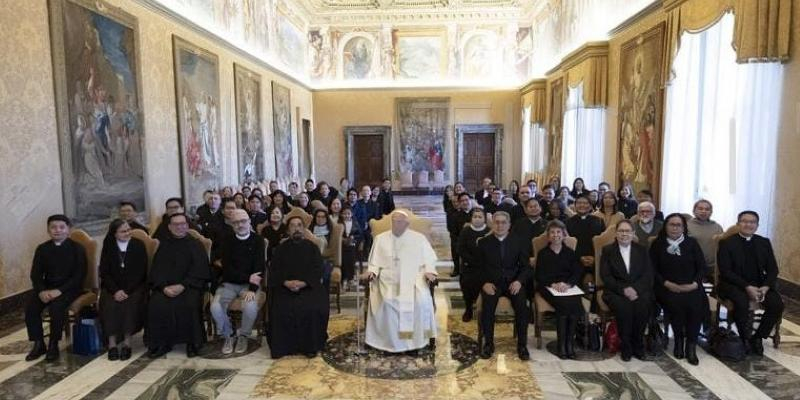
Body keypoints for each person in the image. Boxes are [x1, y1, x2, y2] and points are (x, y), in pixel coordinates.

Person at [363, 211, 438, 353]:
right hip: (387, 280)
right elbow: (374, 262)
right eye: (393, 221)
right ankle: (388, 343)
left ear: (407, 223)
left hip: (413, 279)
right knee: (386, 302)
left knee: (420, 301)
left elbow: (429, 259)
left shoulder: (419, 238)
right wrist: (372, 271)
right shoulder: (380, 239)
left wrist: (429, 271)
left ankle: (414, 343)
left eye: (399, 221)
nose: (395, 224)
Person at [717, 211, 783, 356]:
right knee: (741, 302)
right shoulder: (727, 243)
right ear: (738, 224)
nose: (748, 224)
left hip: (760, 284)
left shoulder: (764, 242)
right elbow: (726, 271)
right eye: (744, 221)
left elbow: (773, 269)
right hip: (733, 284)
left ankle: (758, 337)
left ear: (757, 225)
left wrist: (765, 287)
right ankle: (744, 338)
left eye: (752, 222)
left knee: (777, 304)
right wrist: (747, 287)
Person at [146, 213, 210, 359]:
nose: (180, 227)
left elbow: (200, 270)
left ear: (187, 226)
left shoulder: (195, 244)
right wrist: (163, 287)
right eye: (176, 224)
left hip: (190, 286)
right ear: (169, 227)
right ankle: (161, 343)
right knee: (157, 303)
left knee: (189, 303)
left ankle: (192, 343)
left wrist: (183, 285)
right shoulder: (164, 245)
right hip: (166, 287)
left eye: (183, 224)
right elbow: (157, 270)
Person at [25, 215, 87, 362]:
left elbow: (79, 276)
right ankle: (38, 343)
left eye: (61, 227)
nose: (57, 230)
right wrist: (41, 291)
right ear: (48, 230)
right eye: (53, 227)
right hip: (47, 288)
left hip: (70, 289)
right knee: (31, 308)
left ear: (68, 229)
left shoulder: (77, 249)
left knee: (56, 307)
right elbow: (36, 275)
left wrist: (59, 291)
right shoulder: (42, 249)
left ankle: (53, 344)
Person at [267, 216, 329, 358]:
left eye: (299, 225)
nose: (296, 228)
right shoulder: (280, 249)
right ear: (288, 230)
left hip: (308, 287)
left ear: (304, 229)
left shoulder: (312, 247)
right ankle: (284, 348)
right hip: (285, 287)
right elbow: (274, 270)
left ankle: (310, 346)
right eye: (293, 226)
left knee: (313, 308)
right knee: (281, 308)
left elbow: (318, 269)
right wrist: (286, 282)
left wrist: (303, 283)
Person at [650, 213, 706, 365]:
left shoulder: (692, 243)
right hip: (666, 286)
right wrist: (667, 283)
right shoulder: (658, 244)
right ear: (665, 226)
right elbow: (652, 270)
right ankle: (679, 340)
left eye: (678, 225)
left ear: (684, 227)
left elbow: (702, 267)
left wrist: (695, 283)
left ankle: (691, 345)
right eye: (671, 224)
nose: (675, 228)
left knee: (696, 305)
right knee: (676, 303)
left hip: (691, 286)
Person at [476, 211, 531, 360]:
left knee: (522, 306)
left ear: (509, 225)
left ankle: (522, 345)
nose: (500, 225)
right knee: (488, 306)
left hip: (513, 282)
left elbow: (526, 267)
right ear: (492, 224)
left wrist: (519, 281)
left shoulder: (518, 241)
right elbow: (477, 268)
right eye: (497, 222)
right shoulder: (483, 242)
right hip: (492, 283)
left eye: (503, 222)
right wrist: (484, 283)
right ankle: (488, 343)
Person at [210, 210, 265, 355]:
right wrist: (248, 277)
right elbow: (227, 269)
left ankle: (244, 336)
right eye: (236, 222)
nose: (240, 225)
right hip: (229, 284)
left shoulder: (258, 240)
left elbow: (259, 268)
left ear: (249, 222)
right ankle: (229, 335)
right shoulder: (227, 241)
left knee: (250, 306)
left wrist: (252, 289)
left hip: (250, 286)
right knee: (215, 306)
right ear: (232, 225)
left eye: (243, 221)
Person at [600, 220, 653, 362]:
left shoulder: (642, 250)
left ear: (633, 233)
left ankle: (638, 344)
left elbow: (648, 274)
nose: (624, 234)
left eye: (627, 231)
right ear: (616, 234)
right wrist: (624, 290)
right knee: (624, 308)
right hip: (615, 290)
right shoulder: (608, 250)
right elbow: (606, 276)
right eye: (621, 231)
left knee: (643, 305)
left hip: (638, 289)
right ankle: (626, 345)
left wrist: (635, 289)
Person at [99, 219, 148, 361]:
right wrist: (115, 291)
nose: (127, 233)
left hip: (134, 286)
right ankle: (112, 344)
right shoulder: (108, 246)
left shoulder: (138, 245)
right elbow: (104, 272)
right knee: (109, 305)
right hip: (112, 287)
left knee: (129, 305)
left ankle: (127, 343)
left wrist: (126, 290)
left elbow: (141, 271)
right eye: (123, 231)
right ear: (114, 234)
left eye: (128, 230)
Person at [535, 220, 584, 359]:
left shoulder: (570, 252)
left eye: (558, 232)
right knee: (564, 304)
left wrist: (568, 284)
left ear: (564, 234)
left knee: (574, 302)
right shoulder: (543, 253)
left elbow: (577, 272)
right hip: (548, 287)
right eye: (552, 232)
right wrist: (553, 284)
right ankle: (561, 345)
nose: (555, 235)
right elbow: (539, 275)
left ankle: (570, 344)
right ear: (548, 235)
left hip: (568, 287)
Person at [457, 208, 491, 322]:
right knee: (466, 282)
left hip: (485, 266)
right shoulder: (466, 231)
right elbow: (460, 249)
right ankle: (468, 308)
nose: (477, 219)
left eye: (480, 217)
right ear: (471, 218)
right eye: (475, 216)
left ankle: (485, 308)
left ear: (485, 219)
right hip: (469, 265)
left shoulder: (489, 231)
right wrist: (472, 261)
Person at [565, 196, 606, 282]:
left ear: (591, 206)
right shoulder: (568, 222)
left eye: (585, 203)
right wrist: (579, 257)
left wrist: (595, 257)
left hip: (595, 259)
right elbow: (567, 244)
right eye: (579, 203)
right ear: (575, 206)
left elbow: (603, 243)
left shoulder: (599, 221)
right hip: (575, 259)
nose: (582, 205)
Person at [686, 199, 723, 273]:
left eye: (707, 209)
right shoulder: (686, 226)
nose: (703, 211)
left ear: (711, 212)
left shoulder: (717, 226)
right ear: (694, 211)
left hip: (714, 267)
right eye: (700, 209)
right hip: (692, 266)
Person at [447, 193, 472, 278]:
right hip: (462, 244)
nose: (465, 202)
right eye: (462, 201)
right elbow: (454, 233)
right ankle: (458, 269)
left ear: (470, 200)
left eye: (467, 200)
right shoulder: (455, 216)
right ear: (460, 203)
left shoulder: (476, 213)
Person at [340, 206, 363, 284]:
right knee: (344, 260)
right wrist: (343, 239)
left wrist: (353, 238)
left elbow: (359, 234)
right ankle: (344, 278)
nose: (347, 215)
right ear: (342, 214)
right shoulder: (339, 223)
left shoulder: (355, 223)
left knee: (351, 259)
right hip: (342, 245)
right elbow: (337, 235)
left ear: (352, 214)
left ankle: (351, 277)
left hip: (352, 244)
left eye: (348, 213)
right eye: (344, 214)